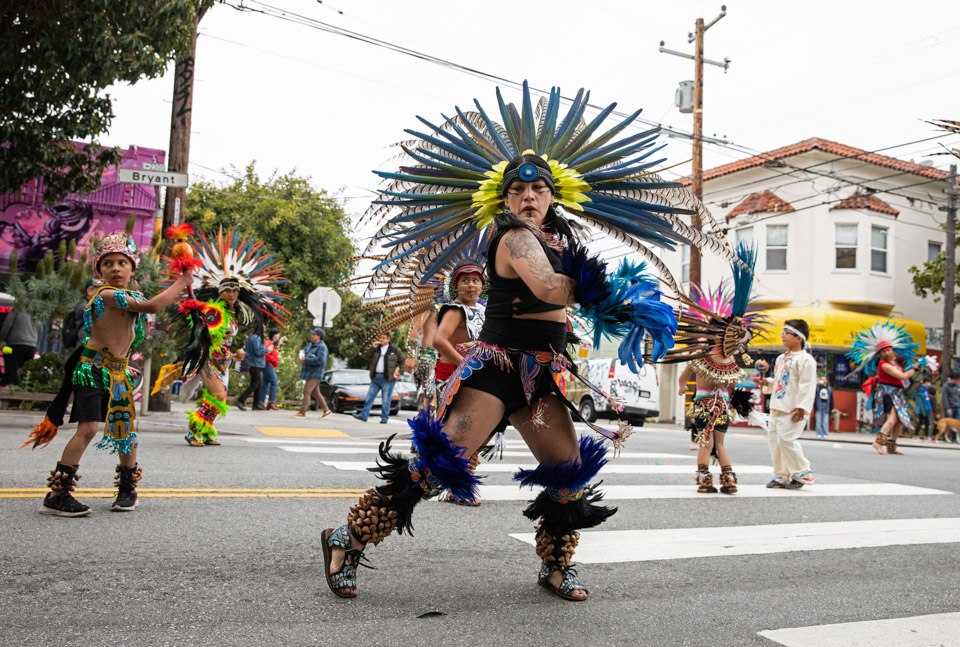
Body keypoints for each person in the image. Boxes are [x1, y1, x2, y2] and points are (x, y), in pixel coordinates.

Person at [321, 84, 725, 603]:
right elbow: (552, 289)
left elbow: (568, 297)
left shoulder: (561, 243)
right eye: (518, 191)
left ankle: (556, 568)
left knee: (566, 475)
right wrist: (618, 301)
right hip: (496, 371)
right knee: (436, 467)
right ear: (505, 198)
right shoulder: (512, 238)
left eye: (538, 191)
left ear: (553, 196)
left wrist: (619, 307)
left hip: (541, 378)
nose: (528, 198)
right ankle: (345, 541)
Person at [21, 232, 192, 516]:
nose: (115, 268)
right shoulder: (108, 295)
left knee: (125, 432)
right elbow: (153, 306)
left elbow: (120, 338)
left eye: (122, 263)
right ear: (99, 271)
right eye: (108, 263)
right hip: (92, 371)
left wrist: (123, 364)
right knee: (87, 429)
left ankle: (127, 489)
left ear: (132, 268)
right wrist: (182, 282)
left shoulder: (130, 296)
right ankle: (57, 496)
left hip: (116, 373)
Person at [664, 243, 767, 495]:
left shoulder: (700, 358)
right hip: (721, 408)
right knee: (720, 443)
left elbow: (684, 377)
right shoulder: (731, 363)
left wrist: (680, 387)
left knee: (704, 441)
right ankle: (729, 481)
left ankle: (704, 481)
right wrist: (731, 397)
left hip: (701, 406)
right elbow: (732, 389)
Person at [432, 258, 487, 505]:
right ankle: (455, 485)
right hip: (454, 375)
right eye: (465, 281)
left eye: (475, 280)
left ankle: (457, 484)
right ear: (456, 285)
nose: (471, 285)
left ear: (482, 286)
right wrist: (464, 365)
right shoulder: (454, 310)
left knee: (476, 429)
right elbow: (439, 341)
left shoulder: (485, 311)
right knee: (462, 429)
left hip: (475, 376)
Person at [755, 319, 816, 489]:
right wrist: (766, 383)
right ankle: (781, 475)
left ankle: (802, 472)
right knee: (775, 442)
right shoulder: (782, 358)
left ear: (798, 338)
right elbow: (780, 381)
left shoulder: (806, 359)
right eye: (782, 333)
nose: (782, 336)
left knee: (787, 440)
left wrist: (802, 407)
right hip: (778, 405)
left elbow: (807, 385)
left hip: (793, 408)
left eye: (786, 333)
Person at [351, 332, 406, 423]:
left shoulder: (395, 350)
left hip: (388, 378)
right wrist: (372, 348)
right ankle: (364, 415)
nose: (381, 339)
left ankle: (384, 418)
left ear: (388, 339)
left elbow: (403, 360)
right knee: (370, 396)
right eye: (380, 337)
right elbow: (366, 356)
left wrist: (400, 372)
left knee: (386, 399)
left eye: (383, 338)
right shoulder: (376, 349)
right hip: (375, 376)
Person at [294, 328, 331, 418]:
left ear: (318, 336)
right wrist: (302, 355)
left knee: (307, 391)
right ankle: (327, 410)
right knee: (316, 393)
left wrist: (306, 360)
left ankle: (302, 412)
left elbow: (321, 360)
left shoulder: (322, 347)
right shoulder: (311, 345)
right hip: (308, 372)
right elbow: (304, 351)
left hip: (315, 373)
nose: (311, 336)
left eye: (313, 334)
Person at [0, 309, 42, 386]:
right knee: (24, 373)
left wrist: (2, 340)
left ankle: (13, 392)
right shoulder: (36, 313)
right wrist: (34, 343)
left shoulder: (16, 311)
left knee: (12, 372)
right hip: (31, 346)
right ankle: (23, 391)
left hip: (15, 345)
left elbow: (7, 326)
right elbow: (40, 331)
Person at [62, 278, 102, 350]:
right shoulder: (83, 305)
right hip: (84, 346)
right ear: (89, 291)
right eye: (99, 291)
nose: (102, 294)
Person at [236, 329, 266, 411]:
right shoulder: (256, 338)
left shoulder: (250, 338)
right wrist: (267, 349)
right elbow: (258, 351)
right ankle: (240, 400)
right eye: (264, 329)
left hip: (253, 363)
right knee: (255, 384)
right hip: (255, 363)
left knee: (258, 384)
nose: (265, 331)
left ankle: (255, 405)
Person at [259, 329, 281, 410]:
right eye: (277, 334)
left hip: (269, 365)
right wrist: (273, 360)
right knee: (274, 382)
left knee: (266, 384)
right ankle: (271, 402)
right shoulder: (269, 342)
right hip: (268, 364)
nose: (278, 336)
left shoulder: (272, 343)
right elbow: (266, 353)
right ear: (273, 335)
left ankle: (261, 402)